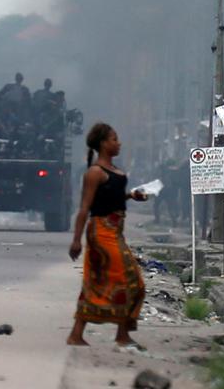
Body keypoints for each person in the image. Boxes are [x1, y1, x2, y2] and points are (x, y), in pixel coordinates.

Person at [68, 122, 148, 350]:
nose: (118, 143)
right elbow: (85, 208)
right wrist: (76, 240)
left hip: (115, 231)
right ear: (103, 144)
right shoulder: (94, 173)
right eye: (114, 139)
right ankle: (122, 336)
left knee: (97, 282)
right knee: (131, 279)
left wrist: (131, 196)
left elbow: (111, 199)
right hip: (101, 232)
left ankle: (78, 334)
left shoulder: (114, 172)